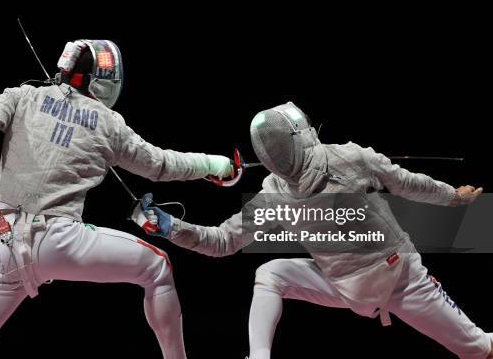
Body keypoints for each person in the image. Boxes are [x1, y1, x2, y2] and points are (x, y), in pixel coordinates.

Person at [0, 39, 233, 359]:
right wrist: (213, 164)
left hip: (3, 243)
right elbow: (160, 165)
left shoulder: (22, 97)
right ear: (104, 78)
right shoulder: (109, 123)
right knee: (158, 267)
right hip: (58, 240)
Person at [139, 101, 492, 359]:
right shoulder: (349, 157)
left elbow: (221, 242)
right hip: (400, 278)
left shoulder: (273, 194)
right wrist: (453, 197)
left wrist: (172, 227)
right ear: (302, 134)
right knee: (479, 348)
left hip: (349, 290)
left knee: (270, 273)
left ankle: (259, 354)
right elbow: (407, 183)